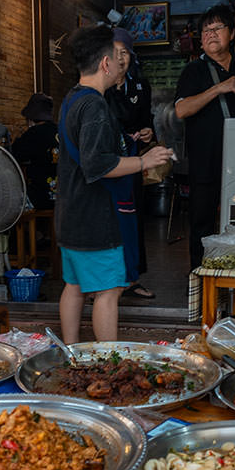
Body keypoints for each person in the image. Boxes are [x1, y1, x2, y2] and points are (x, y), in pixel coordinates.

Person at [56, 25, 174, 344]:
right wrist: (144, 161)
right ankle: (108, 360)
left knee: (74, 286)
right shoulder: (94, 105)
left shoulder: (71, 98)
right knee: (108, 292)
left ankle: (70, 353)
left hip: (70, 213)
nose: (121, 64)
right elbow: (98, 164)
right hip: (95, 217)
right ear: (105, 63)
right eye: (116, 58)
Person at [173, 5, 235, 263]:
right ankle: (199, 278)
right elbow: (181, 109)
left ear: (232, 33)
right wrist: (218, 88)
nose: (211, 34)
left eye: (217, 28)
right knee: (201, 223)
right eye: (206, 31)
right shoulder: (193, 71)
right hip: (206, 160)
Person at [106, 28, 156, 300]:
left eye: (124, 52)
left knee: (132, 216)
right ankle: (106, 281)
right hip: (107, 160)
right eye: (114, 52)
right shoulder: (100, 87)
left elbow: (147, 120)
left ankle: (132, 278)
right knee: (108, 217)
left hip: (133, 159)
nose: (120, 58)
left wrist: (148, 131)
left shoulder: (139, 86)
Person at [11, 94, 58, 211]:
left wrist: (16, 138)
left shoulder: (33, 133)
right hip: (63, 197)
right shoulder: (60, 131)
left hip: (40, 198)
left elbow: (14, 155)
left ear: (31, 118)